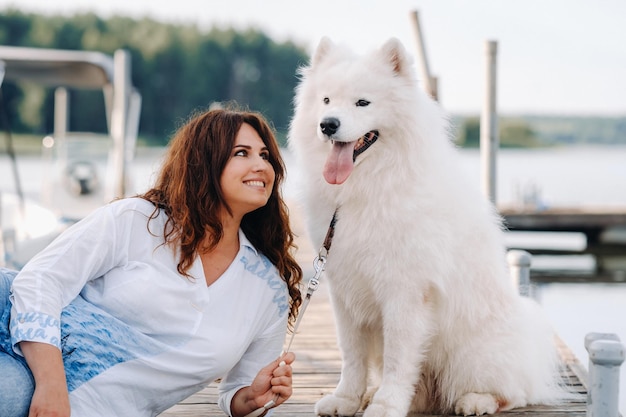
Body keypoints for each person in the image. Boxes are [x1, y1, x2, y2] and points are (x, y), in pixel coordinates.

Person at [0, 105, 303, 417]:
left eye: (265, 156)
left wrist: (253, 397)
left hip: (77, 398)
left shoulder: (267, 289)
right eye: (242, 153)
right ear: (205, 162)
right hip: (19, 323)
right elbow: (40, 280)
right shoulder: (139, 220)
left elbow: (236, 393)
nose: (261, 166)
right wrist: (51, 384)